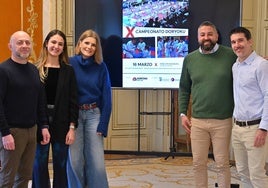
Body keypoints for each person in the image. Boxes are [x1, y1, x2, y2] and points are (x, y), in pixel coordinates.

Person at [179, 21, 237, 188]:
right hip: (197, 121)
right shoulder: (190, 59)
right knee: (198, 163)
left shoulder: (230, 56)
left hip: (223, 120)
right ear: (198, 37)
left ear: (217, 36)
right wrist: (183, 113)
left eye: (210, 34)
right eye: (202, 34)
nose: (206, 38)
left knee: (222, 164)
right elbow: (184, 88)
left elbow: (247, 67)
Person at [0, 31, 50, 187]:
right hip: (12, 132)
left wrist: (44, 126)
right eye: (20, 42)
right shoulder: (3, 70)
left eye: (27, 42)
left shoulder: (34, 70)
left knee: (25, 175)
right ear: (10, 46)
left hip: (32, 130)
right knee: (8, 177)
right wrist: (5, 133)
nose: (24, 46)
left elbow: (40, 101)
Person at [31, 29, 78, 188]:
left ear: (63, 48)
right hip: (39, 123)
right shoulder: (35, 69)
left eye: (60, 44)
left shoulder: (68, 71)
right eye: (53, 42)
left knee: (61, 164)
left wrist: (72, 128)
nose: (56, 46)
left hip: (62, 124)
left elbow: (73, 101)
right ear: (46, 43)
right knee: (39, 164)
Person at [67, 29, 112, 188]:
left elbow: (107, 96)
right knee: (75, 160)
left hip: (94, 115)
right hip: (74, 117)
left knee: (97, 162)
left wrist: (103, 124)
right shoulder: (69, 63)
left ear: (96, 48)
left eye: (93, 45)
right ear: (80, 44)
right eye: (86, 43)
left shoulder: (101, 67)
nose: (89, 47)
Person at [230, 26, 268, 188]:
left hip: (255, 129)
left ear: (250, 41)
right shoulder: (235, 66)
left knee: (257, 175)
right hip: (237, 128)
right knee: (242, 173)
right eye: (233, 42)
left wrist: (263, 128)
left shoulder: (261, 65)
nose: (237, 45)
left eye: (240, 40)